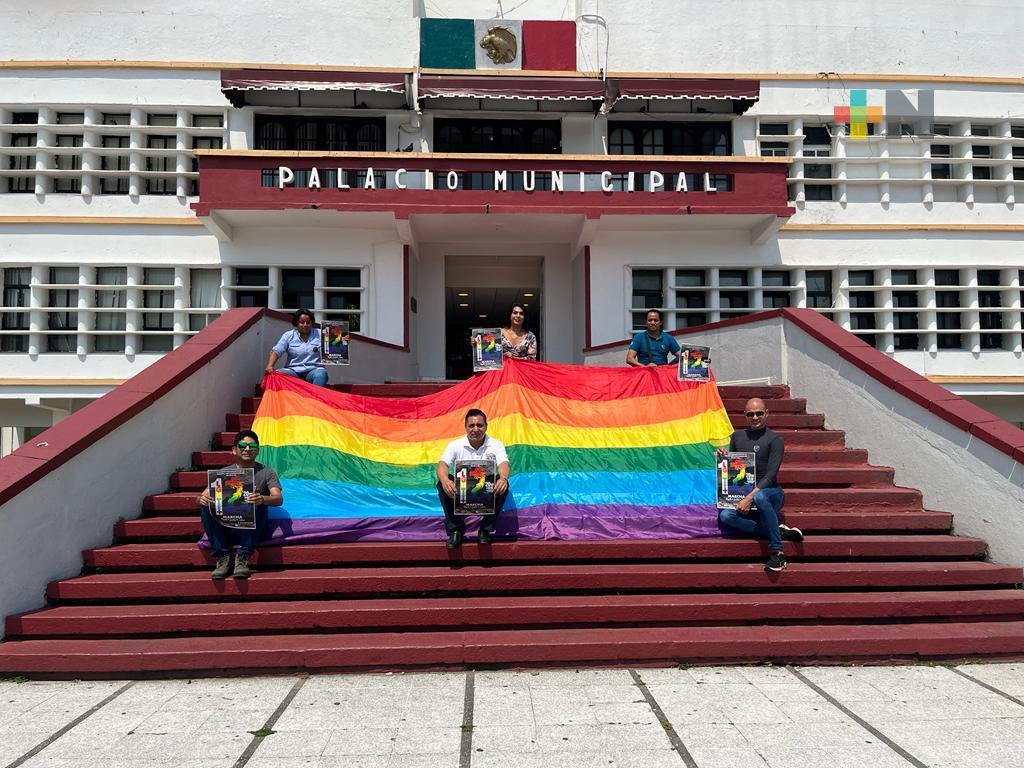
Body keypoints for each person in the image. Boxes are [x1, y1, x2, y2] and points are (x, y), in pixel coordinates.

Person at [717, 398, 803, 572]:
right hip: (744, 493)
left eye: (759, 413)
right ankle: (775, 529)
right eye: (750, 414)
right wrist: (723, 455)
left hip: (770, 494)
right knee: (725, 516)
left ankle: (777, 553)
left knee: (760, 496)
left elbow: (771, 476)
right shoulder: (737, 436)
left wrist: (749, 498)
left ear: (766, 414)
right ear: (745, 416)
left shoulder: (775, 439)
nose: (755, 417)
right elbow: (734, 469)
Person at [197, 429, 283, 579]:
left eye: (252, 446)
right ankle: (223, 557)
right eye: (242, 446)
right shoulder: (223, 473)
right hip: (226, 527)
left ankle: (243, 557)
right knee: (206, 506)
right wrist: (200, 500)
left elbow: (278, 498)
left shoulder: (267, 472)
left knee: (258, 502)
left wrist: (262, 498)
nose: (247, 449)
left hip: (252, 528)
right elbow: (201, 497)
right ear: (234, 450)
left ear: (258, 451)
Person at [436, 408, 511, 548]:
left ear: (486, 427)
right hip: (462, 490)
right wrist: (446, 481)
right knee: (441, 483)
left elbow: (504, 463)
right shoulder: (454, 445)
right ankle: (456, 530)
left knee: (503, 484)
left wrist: (504, 478)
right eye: (471, 425)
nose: (475, 429)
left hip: (485, 489)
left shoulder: (496, 444)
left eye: (480, 425)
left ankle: (485, 530)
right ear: (465, 427)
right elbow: (442, 465)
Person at [265, 308, 328, 386]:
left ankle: (314, 397)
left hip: (314, 370)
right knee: (278, 374)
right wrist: (270, 366)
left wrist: (344, 339)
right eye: (302, 322)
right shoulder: (288, 335)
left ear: (312, 323)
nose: (305, 325)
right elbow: (277, 351)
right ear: (296, 323)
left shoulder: (322, 333)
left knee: (321, 374)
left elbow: (336, 341)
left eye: (308, 322)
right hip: (293, 371)